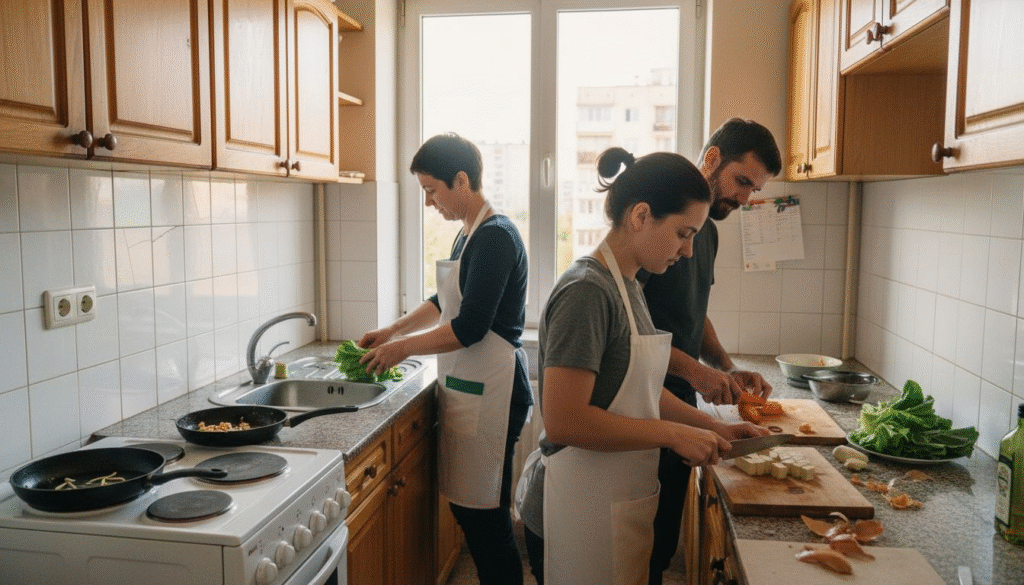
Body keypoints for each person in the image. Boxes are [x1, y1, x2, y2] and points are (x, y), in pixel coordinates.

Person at [516, 147, 769, 585]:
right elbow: (563, 422)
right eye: (683, 234)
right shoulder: (586, 292)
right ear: (641, 216)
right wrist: (674, 435)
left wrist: (716, 430)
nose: (689, 252)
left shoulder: (628, 285)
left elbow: (643, 388)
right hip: (573, 511)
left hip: (610, 502)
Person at [358, 133, 531, 585]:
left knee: (487, 516)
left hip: (496, 389)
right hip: (473, 385)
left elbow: (470, 326)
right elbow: (445, 299)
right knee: (470, 508)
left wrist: (399, 350)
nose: (430, 202)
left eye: (432, 191)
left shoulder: (495, 237)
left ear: (461, 181)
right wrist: (394, 329)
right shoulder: (469, 234)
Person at [643, 118, 783, 585]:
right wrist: (699, 376)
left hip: (680, 399)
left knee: (660, 540)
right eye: (743, 181)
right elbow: (632, 333)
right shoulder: (660, 225)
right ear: (712, 158)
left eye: (754, 189)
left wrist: (725, 365)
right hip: (643, 402)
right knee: (641, 543)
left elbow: (693, 311)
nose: (745, 199)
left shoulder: (711, 233)